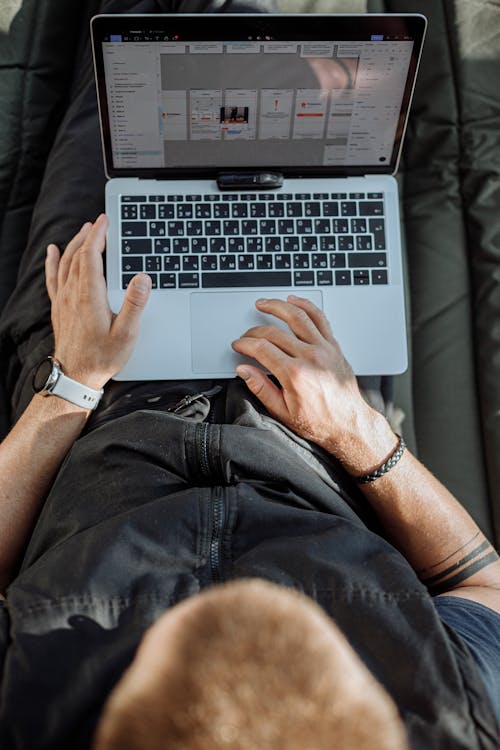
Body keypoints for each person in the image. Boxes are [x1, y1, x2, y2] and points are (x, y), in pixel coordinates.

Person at [0, 4, 499, 750]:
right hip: (315, 416)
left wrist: (70, 383)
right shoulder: (446, 717)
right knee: (301, 94)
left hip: (90, 402)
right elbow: (485, 588)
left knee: (125, 73)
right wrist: (355, 428)